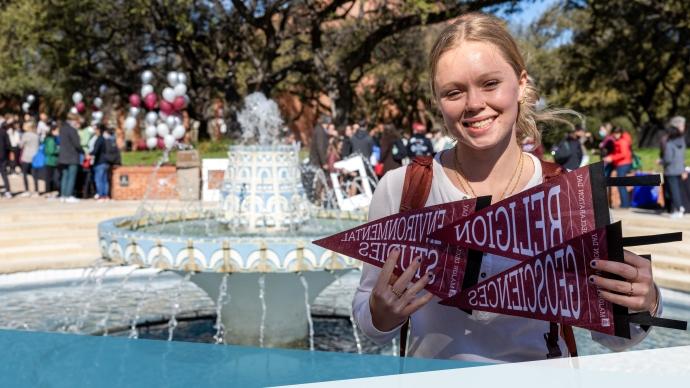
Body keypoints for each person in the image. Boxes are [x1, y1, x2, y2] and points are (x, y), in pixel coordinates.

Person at [353, 13, 659, 362]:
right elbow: (368, 321)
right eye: (454, 91)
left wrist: (645, 301)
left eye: (489, 83)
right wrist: (382, 314)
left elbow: (614, 338)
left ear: (522, 84)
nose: (473, 104)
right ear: (438, 102)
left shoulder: (567, 193)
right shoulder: (403, 188)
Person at [662, 117, 686, 218]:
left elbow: (667, 159)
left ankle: (679, 209)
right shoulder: (682, 142)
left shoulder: (669, 144)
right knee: (677, 190)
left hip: (671, 171)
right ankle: (679, 207)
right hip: (679, 169)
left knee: (673, 191)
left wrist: (661, 161)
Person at [604, 127, 633, 208]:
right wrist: (610, 157)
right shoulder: (619, 141)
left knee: (621, 184)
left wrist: (612, 158)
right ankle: (625, 203)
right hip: (621, 164)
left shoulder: (622, 142)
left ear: (620, 133)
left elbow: (623, 154)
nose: (616, 135)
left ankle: (625, 204)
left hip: (623, 164)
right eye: (614, 133)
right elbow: (617, 153)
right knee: (621, 184)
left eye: (617, 133)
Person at [58, 113, 84, 202]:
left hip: (63, 156)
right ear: (74, 120)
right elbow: (77, 144)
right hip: (72, 156)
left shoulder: (62, 129)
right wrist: (83, 152)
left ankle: (63, 195)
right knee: (71, 176)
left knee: (65, 176)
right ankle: (69, 195)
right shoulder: (72, 130)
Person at [19, 121, 40, 195]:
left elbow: (20, 145)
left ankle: (27, 190)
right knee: (35, 175)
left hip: (26, 156)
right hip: (35, 156)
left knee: (24, 174)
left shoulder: (25, 135)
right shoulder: (36, 135)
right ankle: (36, 190)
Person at [43, 124, 60, 196]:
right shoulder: (51, 139)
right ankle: (48, 191)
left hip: (49, 160)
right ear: (53, 131)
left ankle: (48, 191)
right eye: (57, 131)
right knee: (50, 177)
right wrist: (59, 150)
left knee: (49, 177)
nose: (58, 132)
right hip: (51, 161)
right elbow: (51, 150)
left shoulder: (50, 138)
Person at [0, 121, 12, 197]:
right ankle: (7, 190)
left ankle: (7, 191)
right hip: (3, 156)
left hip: (3, 156)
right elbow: (8, 145)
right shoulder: (5, 133)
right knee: (4, 174)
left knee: (4, 173)